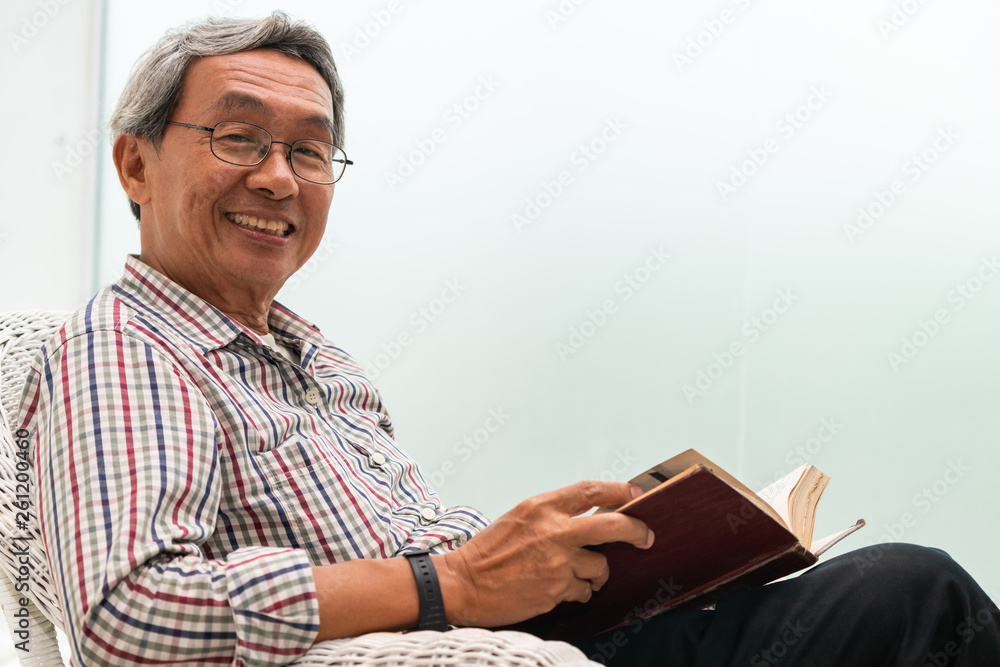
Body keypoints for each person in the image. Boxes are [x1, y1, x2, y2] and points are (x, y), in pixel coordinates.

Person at [18, 11, 1000, 667]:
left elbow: (425, 549)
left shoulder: (324, 363)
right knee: (906, 595)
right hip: (473, 646)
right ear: (135, 164)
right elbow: (128, 609)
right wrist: (452, 579)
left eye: (310, 150)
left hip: (541, 629)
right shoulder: (124, 346)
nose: (279, 177)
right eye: (238, 137)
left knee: (893, 595)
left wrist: (554, 544)